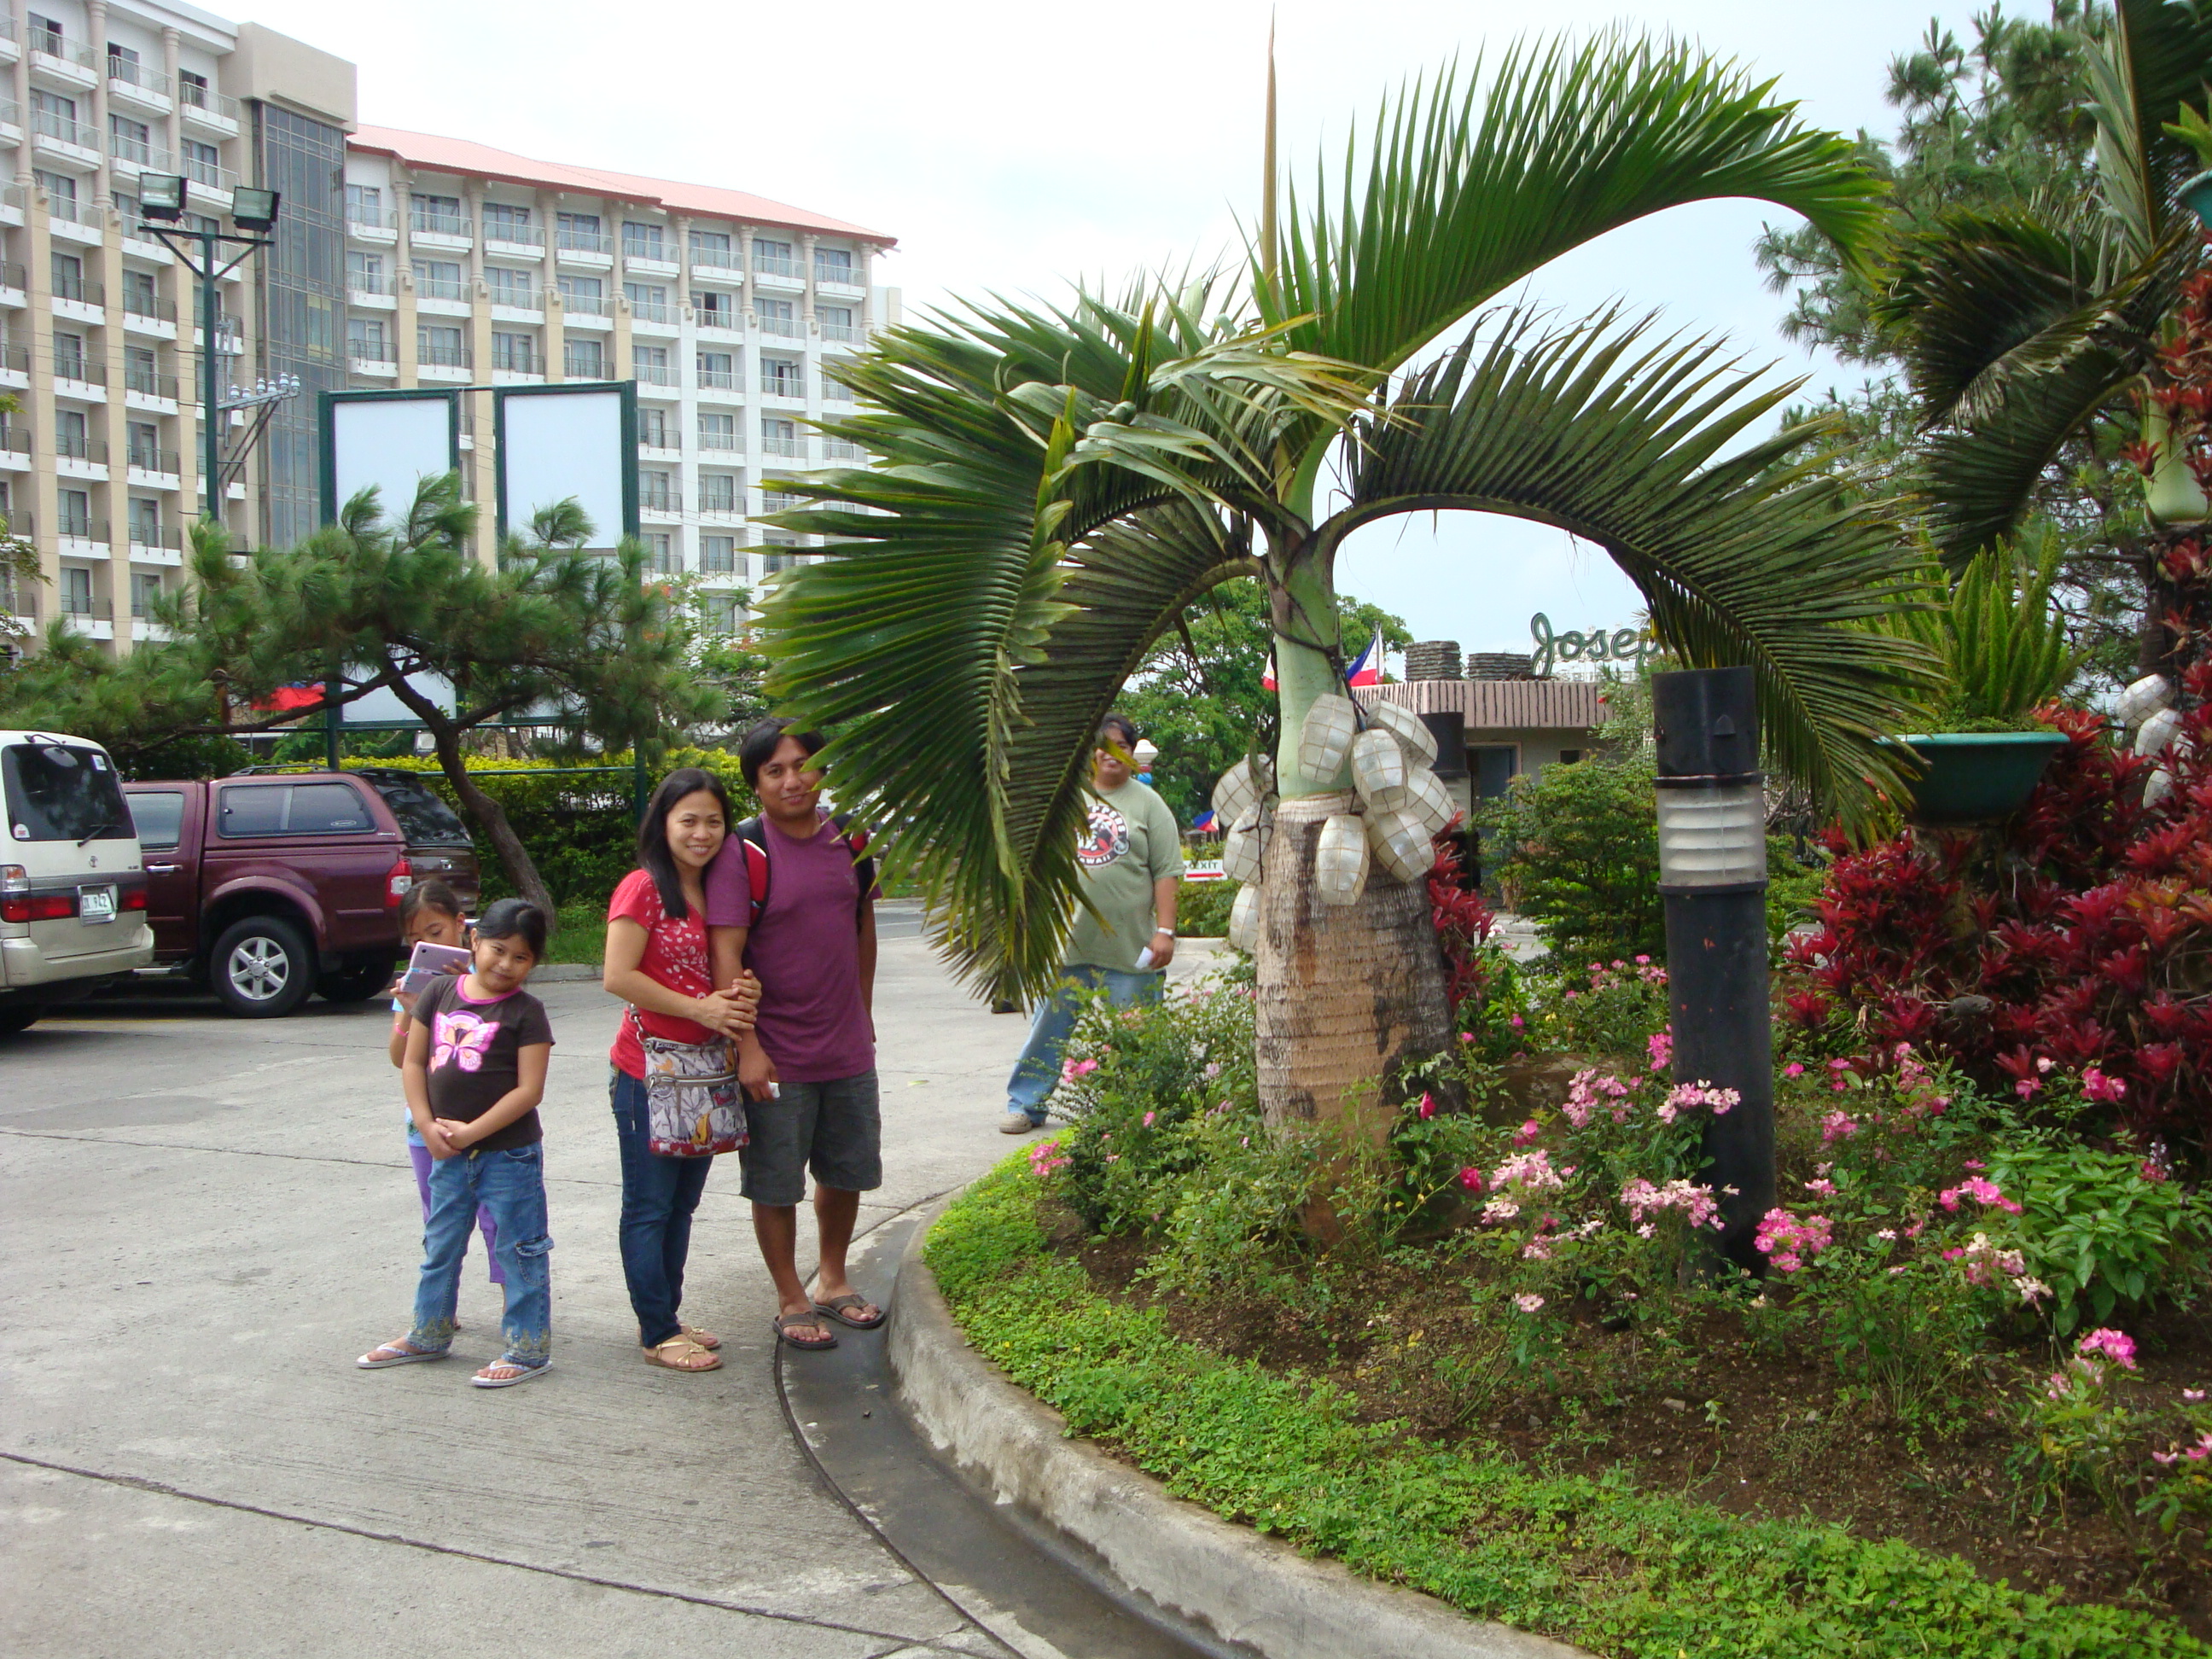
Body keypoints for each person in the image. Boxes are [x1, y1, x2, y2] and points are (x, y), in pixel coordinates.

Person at [706, 719, 882, 1352]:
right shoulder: (743, 851)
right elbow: (726, 953)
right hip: (776, 1053)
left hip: (846, 1045)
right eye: (774, 771)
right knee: (776, 1181)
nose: (792, 781)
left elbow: (862, 927)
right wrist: (747, 1047)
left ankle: (833, 1279)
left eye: (802, 765)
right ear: (755, 784)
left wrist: (862, 1014)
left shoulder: (851, 837)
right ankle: (790, 1297)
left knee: (846, 1170)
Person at [356, 899, 556, 1388]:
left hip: (509, 1155)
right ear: (474, 941)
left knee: (519, 1248)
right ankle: (428, 1333)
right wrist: (427, 1126)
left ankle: (528, 1349)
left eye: (521, 957)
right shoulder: (440, 992)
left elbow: (529, 1091)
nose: (505, 964)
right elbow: (412, 1062)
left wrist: (471, 1133)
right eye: (498, 950)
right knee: (440, 1244)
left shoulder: (527, 1012)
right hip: (446, 1150)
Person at [603, 768, 761, 1374]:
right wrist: (700, 1008)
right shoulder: (643, 887)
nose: (702, 833)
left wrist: (742, 994)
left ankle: (664, 1314)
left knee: (680, 1206)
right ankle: (657, 1331)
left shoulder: (717, 890)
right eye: (688, 820)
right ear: (663, 823)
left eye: (714, 821)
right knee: (649, 1205)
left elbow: (717, 971)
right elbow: (618, 976)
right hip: (650, 1074)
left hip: (705, 1073)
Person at [1001, 713, 1181, 1132]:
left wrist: (1166, 932)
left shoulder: (1149, 805)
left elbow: (1167, 872)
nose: (1111, 754)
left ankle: (1137, 1114)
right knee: (1047, 1032)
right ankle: (1026, 1104)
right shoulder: (1065, 800)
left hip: (1131, 950)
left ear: (1132, 753)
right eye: (1103, 745)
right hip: (1065, 944)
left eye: (1121, 746)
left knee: (1137, 1038)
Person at [385, 882, 500, 1293]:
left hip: (488, 1124)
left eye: (436, 933)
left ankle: (516, 1305)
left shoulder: (490, 976)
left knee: (499, 1220)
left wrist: (465, 991)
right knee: (439, 1220)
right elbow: (400, 1056)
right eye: (417, 940)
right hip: (428, 1124)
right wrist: (412, 1011)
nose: (429, 945)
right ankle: (438, 1308)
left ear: (460, 924)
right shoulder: (416, 984)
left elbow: (498, 1045)